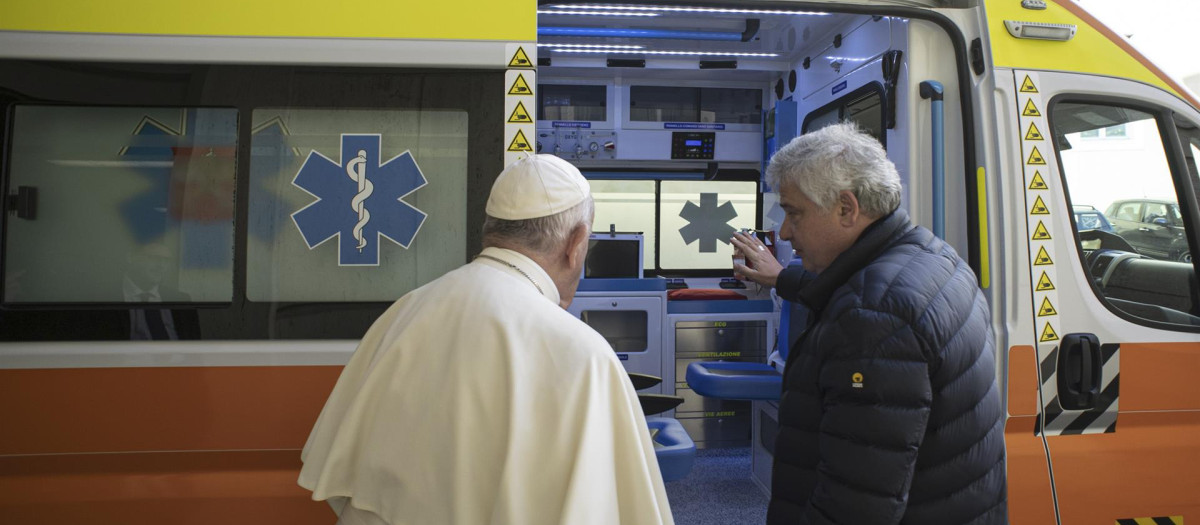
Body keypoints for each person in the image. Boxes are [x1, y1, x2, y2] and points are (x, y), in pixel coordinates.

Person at [298, 155, 674, 525]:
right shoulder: (585, 354)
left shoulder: (405, 310)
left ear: (492, 230)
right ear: (575, 245)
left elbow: (341, 480)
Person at [731, 122, 1007, 525]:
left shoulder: (872, 320)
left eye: (794, 213)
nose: (786, 232)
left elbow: (855, 505)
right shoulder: (933, 257)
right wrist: (783, 278)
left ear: (847, 208)